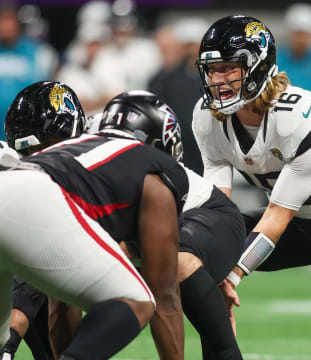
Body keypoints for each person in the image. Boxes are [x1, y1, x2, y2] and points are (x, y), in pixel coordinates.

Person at [192, 14, 311, 328]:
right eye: (212, 70)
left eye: (229, 68)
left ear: (257, 66)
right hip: (298, 222)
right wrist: (206, 252)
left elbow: (276, 216)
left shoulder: (299, 115)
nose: (217, 80)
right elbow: (217, 208)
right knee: (194, 240)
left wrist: (231, 274)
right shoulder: (207, 118)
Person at [0, 83, 188, 359]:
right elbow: (165, 298)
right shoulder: (159, 170)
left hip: (12, 181)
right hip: (30, 194)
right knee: (138, 299)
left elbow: (60, 308)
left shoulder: (79, 155)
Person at [93, 90, 246, 359]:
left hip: (207, 216)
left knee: (175, 264)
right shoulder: (89, 153)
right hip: (159, 225)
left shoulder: (156, 175)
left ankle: (225, 351)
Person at [0, 80, 86, 360]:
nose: (35, 160)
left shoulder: (100, 157)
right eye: (25, 152)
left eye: (43, 148)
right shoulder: (12, 165)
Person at [148, 17, 209, 175]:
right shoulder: (165, 78)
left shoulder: (215, 75)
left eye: (193, 45)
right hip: (177, 149)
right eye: (186, 46)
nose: (190, 50)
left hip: (208, 148)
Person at [0, 1, 58, 140]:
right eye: (1, 21)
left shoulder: (39, 52)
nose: (4, 26)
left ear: (17, 22)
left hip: (25, 128)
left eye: (8, 20)